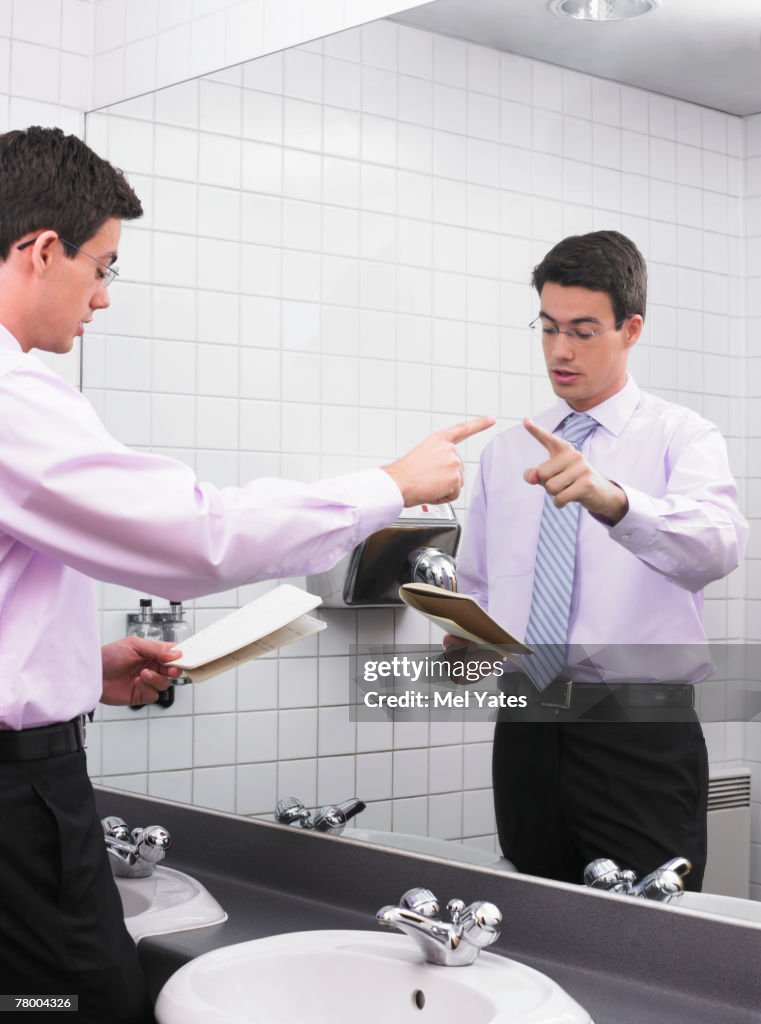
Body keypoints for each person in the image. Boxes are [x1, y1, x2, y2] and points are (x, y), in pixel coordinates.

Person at [0, 126, 494, 1023]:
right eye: (103, 266)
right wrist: (390, 486)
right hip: (15, 806)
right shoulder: (12, 398)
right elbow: (196, 538)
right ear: (40, 252)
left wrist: (77, 668)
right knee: (68, 1006)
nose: (103, 298)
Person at [448, 230, 747, 892]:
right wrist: (464, 644)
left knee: (646, 932)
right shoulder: (506, 455)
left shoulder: (681, 436)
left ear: (630, 328)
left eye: (582, 331)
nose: (559, 350)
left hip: (635, 726)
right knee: (531, 913)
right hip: (526, 720)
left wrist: (609, 500)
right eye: (548, 327)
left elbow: (716, 545)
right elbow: (480, 593)